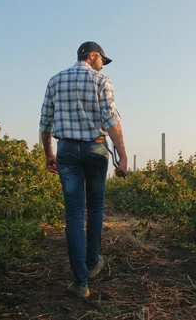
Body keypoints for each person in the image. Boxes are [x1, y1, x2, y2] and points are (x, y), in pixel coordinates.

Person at [39, 41, 128, 298]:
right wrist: (122, 156)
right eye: (102, 59)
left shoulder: (55, 80)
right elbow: (111, 120)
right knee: (96, 207)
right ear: (92, 56)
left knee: (75, 215)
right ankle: (92, 263)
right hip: (95, 149)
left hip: (66, 150)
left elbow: (45, 122)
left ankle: (80, 283)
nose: (103, 64)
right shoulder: (101, 81)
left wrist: (49, 154)